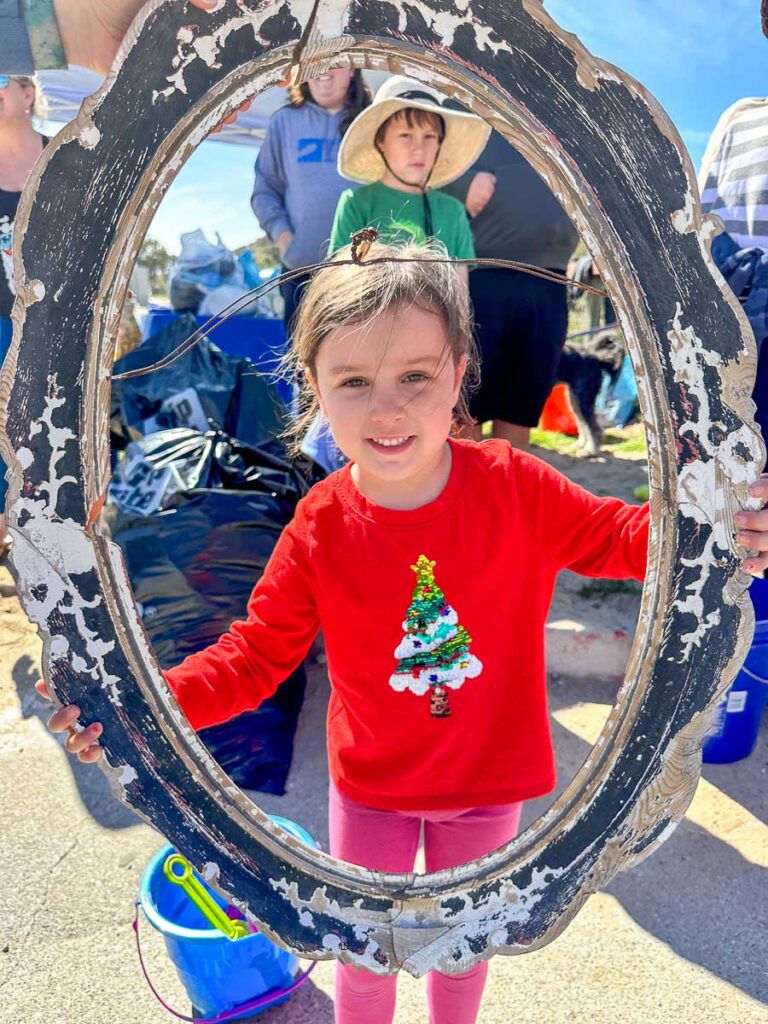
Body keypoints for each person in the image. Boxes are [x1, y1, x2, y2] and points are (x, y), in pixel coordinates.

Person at [37, 239, 768, 1023]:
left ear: (458, 373)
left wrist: (718, 529)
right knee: (364, 955)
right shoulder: (317, 523)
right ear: (313, 390)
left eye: (415, 375)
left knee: (462, 954)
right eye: (353, 381)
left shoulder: (516, 487)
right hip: (372, 792)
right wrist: (136, 710)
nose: (386, 409)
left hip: (491, 790)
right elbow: (252, 658)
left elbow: (628, 539)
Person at [441, 129, 579, 449]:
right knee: (466, 409)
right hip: (480, 273)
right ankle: (464, 497)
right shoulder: (472, 96)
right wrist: (463, 181)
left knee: (521, 408)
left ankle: (506, 496)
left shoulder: (572, 107)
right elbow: (423, 160)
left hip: (551, 278)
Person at [328, 76, 489, 287]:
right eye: (405, 135)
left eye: (429, 137)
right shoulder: (356, 204)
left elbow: (459, 298)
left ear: (440, 144)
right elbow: (339, 285)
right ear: (380, 141)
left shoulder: (453, 212)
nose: (418, 149)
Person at [251, 68, 371, 330]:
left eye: (334, 63)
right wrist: (285, 240)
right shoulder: (283, 122)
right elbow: (264, 192)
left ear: (352, 68)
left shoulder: (373, 118)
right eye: (316, 63)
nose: (323, 72)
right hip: (301, 275)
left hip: (365, 276)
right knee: (303, 368)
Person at [0, 72, 51, 559]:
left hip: (61, 324)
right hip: (0, 324)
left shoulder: (67, 154)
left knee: (50, 431)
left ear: (27, 92)